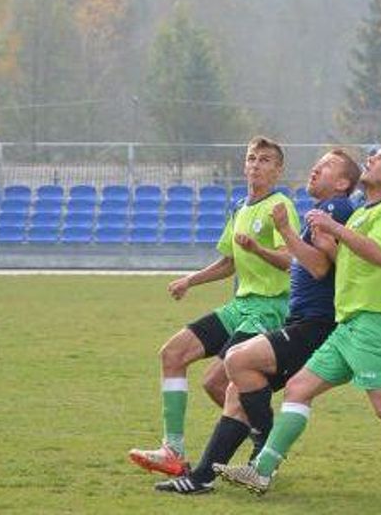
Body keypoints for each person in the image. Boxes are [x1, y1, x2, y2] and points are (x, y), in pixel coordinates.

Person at [214, 146, 381, 506]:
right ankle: (261, 471)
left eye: (379, 159)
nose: (370, 160)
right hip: (347, 324)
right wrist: (329, 244)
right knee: (298, 388)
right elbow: (351, 260)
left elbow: (380, 255)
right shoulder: (362, 214)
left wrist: (332, 227)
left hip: (373, 321)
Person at [153, 149, 362, 494]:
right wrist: (191, 280)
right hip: (291, 316)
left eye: (326, 166)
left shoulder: (331, 209)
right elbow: (238, 261)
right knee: (232, 388)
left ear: (342, 183)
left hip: (307, 320)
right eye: (251, 158)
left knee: (236, 367)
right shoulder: (310, 211)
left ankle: (262, 454)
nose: (315, 168)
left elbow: (317, 266)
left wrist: (284, 231)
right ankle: (205, 475)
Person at [128, 136, 301, 477]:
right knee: (172, 354)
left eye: (265, 160)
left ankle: (265, 447)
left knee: (215, 382)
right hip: (240, 305)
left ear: (278, 170)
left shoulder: (280, 206)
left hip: (268, 309)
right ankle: (173, 450)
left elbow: (290, 262)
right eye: (252, 158)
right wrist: (189, 280)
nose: (256, 165)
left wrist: (257, 248)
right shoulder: (240, 208)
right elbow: (228, 262)